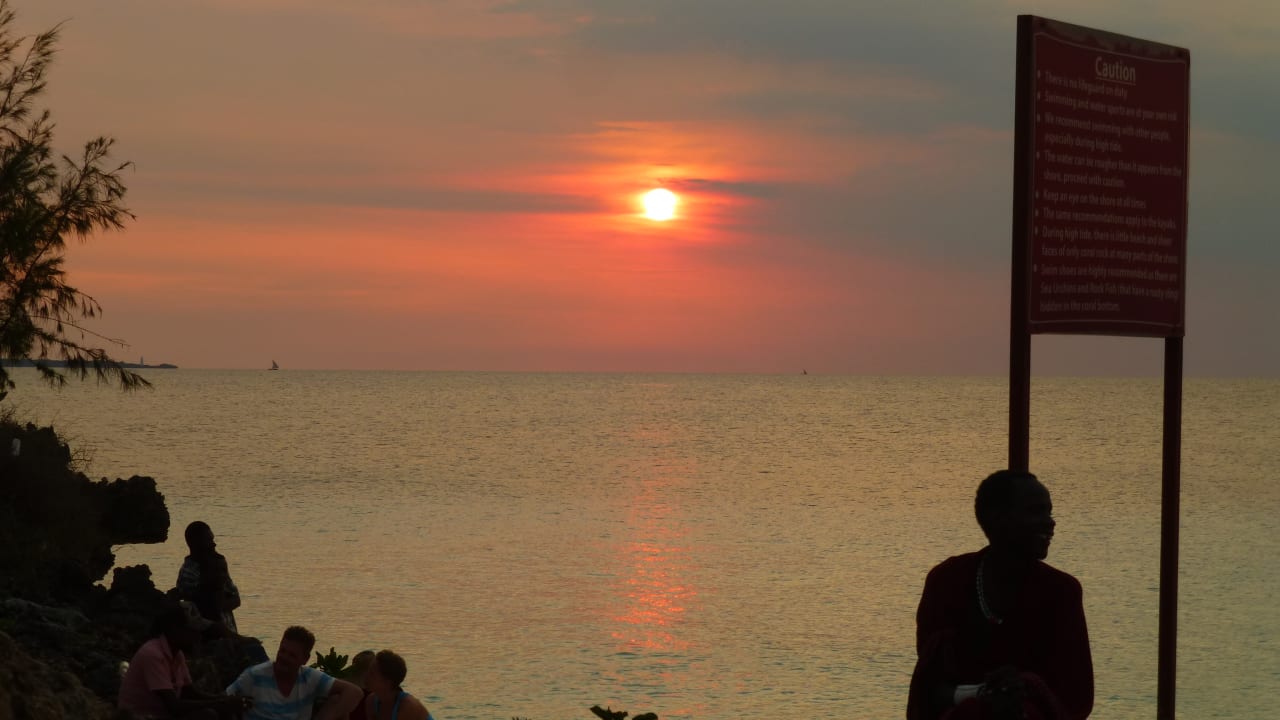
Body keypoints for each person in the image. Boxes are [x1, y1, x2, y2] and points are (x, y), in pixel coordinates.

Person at [907, 470, 1093, 720]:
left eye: (1049, 512)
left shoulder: (1062, 591)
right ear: (997, 518)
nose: (1050, 523)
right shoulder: (947, 581)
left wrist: (1023, 692)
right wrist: (983, 697)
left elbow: (1076, 699)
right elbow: (928, 690)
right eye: (1035, 511)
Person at [118, 600, 253, 719]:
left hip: (159, 715)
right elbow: (174, 706)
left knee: (226, 710)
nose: (198, 636)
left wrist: (225, 700)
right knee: (207, 715)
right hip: (139, 717)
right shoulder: (153, 655)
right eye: (192, 631)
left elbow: (189, 692)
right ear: (174, 630)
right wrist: (221, 703)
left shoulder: (176, 654)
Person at [226, 626, 363, 720]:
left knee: (337, 700)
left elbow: (355, 692)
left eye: (292, 655)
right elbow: (223, 700)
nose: (284, 657)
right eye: (282, 651)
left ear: (305, 659)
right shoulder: (254, 675)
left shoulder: (309, 677)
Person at [176, 521, 242, 634]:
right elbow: (199, 608)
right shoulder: (188, 573)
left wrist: (219, 603)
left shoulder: (217, 564)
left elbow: (236, 599)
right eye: (208, 540)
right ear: (196, 543)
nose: (214, 544)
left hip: (229, 632)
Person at [364, 650, 433, 720]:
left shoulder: (407, 706)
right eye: (368, 670)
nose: (366, 676)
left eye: (372, 674)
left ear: (387, 683)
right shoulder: (371, 701)